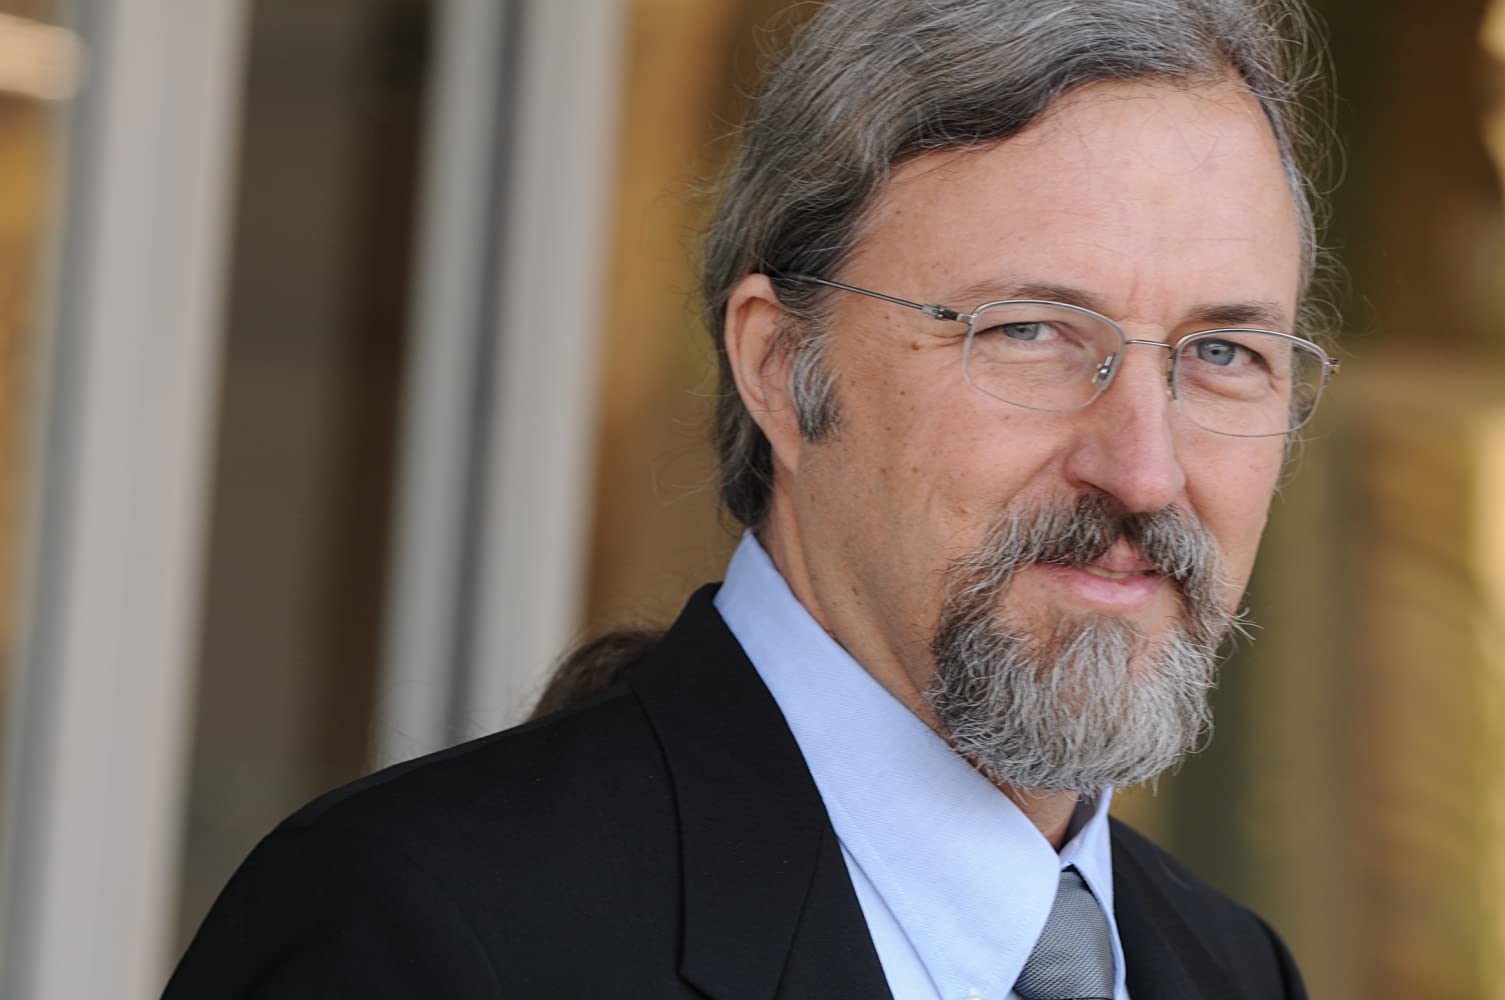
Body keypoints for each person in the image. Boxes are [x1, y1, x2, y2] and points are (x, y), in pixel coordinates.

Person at [166, 0, 1341, 996]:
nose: (1143, 468)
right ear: (779, 367)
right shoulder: (418, 932)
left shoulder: (1232, 970)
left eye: (1222, 353)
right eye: (1028, 331)